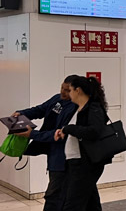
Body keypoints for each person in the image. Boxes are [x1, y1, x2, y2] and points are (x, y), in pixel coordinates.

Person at [11, 75, 79, 210]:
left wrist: (32, 134)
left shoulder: (76, 109)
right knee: (58, 192)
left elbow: (59, 135)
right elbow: (40, 109)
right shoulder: (57, 99)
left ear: (76, 91)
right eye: (62, 88)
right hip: (54, 155)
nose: (62, 93)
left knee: (55, 194)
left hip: (65, 159)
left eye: (67, 90)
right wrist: (22, 114)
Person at [54, 76, 111, 210]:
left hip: (85, 164)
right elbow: (81, 130)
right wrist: (65, 131)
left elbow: (94, 131)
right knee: (91, 202)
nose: (69, 94)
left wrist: (69, 129)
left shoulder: (93, 108)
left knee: (73, 204)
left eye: (71, 90)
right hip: (77, 162)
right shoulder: (80, 108)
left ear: (78, 90)